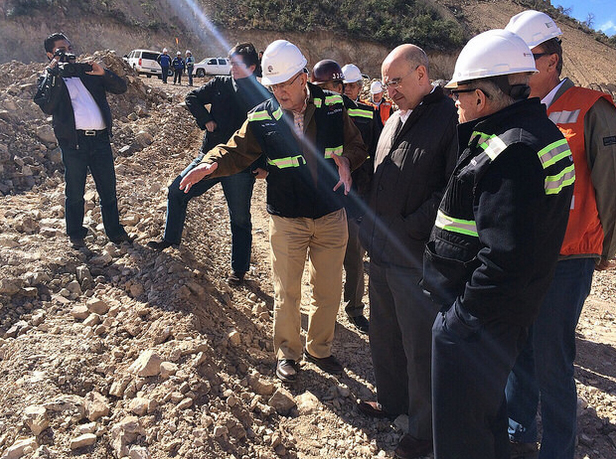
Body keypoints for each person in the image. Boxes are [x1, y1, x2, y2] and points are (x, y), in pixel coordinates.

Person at [421, 29, 575, 459]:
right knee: (484, 421)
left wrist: (459, 320)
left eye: (459, 94)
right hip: (497, 317)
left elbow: (505, 258)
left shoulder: (513, 149)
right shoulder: (534, 132)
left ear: (481, 98)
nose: (455, 103)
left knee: (460, 435)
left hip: (479, 322)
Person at [178, 40, 367, 383]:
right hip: (287, 217)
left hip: (330, 214)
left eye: (284, 84)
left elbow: (357, 145)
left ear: (303, 78)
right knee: (287, 292)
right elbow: (234, 150)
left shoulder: (334, 106)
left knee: (328, 290)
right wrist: (210, 163)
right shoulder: (262, 116)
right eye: (273, 86)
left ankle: (319, 348)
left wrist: (347, 160)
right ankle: (288, 354)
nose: (279, 92)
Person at [503, 10, 616, 459]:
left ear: (551, 60)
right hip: (520, 255)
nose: (515, 68)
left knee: (552, 360)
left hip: (567, 258)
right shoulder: (513, 109)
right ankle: (518, 435)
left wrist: (605, 248)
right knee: (519, 350)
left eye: (525, 57)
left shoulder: (591, 108)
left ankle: (557, 449)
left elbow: (611, 185)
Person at [356, 44, 458, 459]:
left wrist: (408, 228)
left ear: (421, 74)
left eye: (396, 82)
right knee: (384, 334)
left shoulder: (448, 118)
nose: (390, 91)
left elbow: (450, 190)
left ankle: (424, 429)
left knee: (419, 347)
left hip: (414, 255)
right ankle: (391, 401)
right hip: (381, 251)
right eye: (386, 83)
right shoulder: (394, 118)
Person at [148, 43, 266, 286]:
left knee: (240, 219)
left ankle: (239, 270)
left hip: (240, 167)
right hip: (208, 159)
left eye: (238, 64)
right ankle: (170, 239)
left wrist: (265, 165)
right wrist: (206, 120)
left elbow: (269, 133)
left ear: (253, 67)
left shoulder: (263, 96)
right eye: (231, 63)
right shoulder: (220, 84)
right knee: (177, 191)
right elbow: (191, 97)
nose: (232, 68)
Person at [33, 33, 131, 248]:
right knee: (75, 192)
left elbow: (121, 88)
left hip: (100, 141)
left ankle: (115, 232)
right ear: (50, 54)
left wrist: (103, 73)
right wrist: (53, 71)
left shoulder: (87, 71)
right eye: (61, 50)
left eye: (69, 48)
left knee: (108, 189)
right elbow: (46, 105)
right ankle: (76, 234)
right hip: (74, 144)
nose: (68, 52)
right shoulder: (49, 78)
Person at [310, 59, 379, 334]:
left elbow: (375, 156)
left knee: (354, 259)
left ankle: (355, 309)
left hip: (353, 199)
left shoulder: (366, 114)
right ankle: (324, 312)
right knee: (322, 263)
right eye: (320, 88)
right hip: (320, 200)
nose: (325, 92)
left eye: (330, 87)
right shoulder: (310, 113)